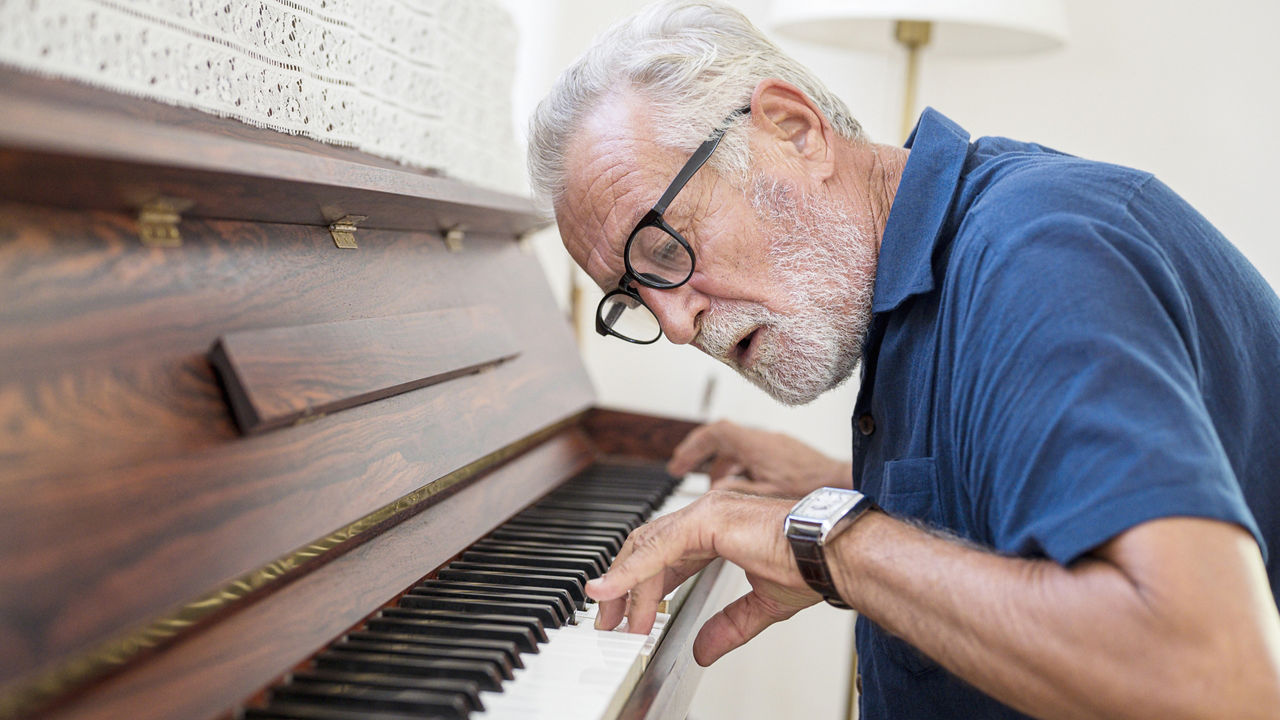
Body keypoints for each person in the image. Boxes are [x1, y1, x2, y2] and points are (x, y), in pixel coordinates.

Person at [526, 1, 1280, 718]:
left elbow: (1213, 675)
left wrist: (830, 542)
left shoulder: (1038, 256)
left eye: (663, 250)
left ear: (794, 129)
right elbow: (1020, 524)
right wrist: (839, 491)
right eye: (633, 300)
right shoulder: (941, 277)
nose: (677, 323)